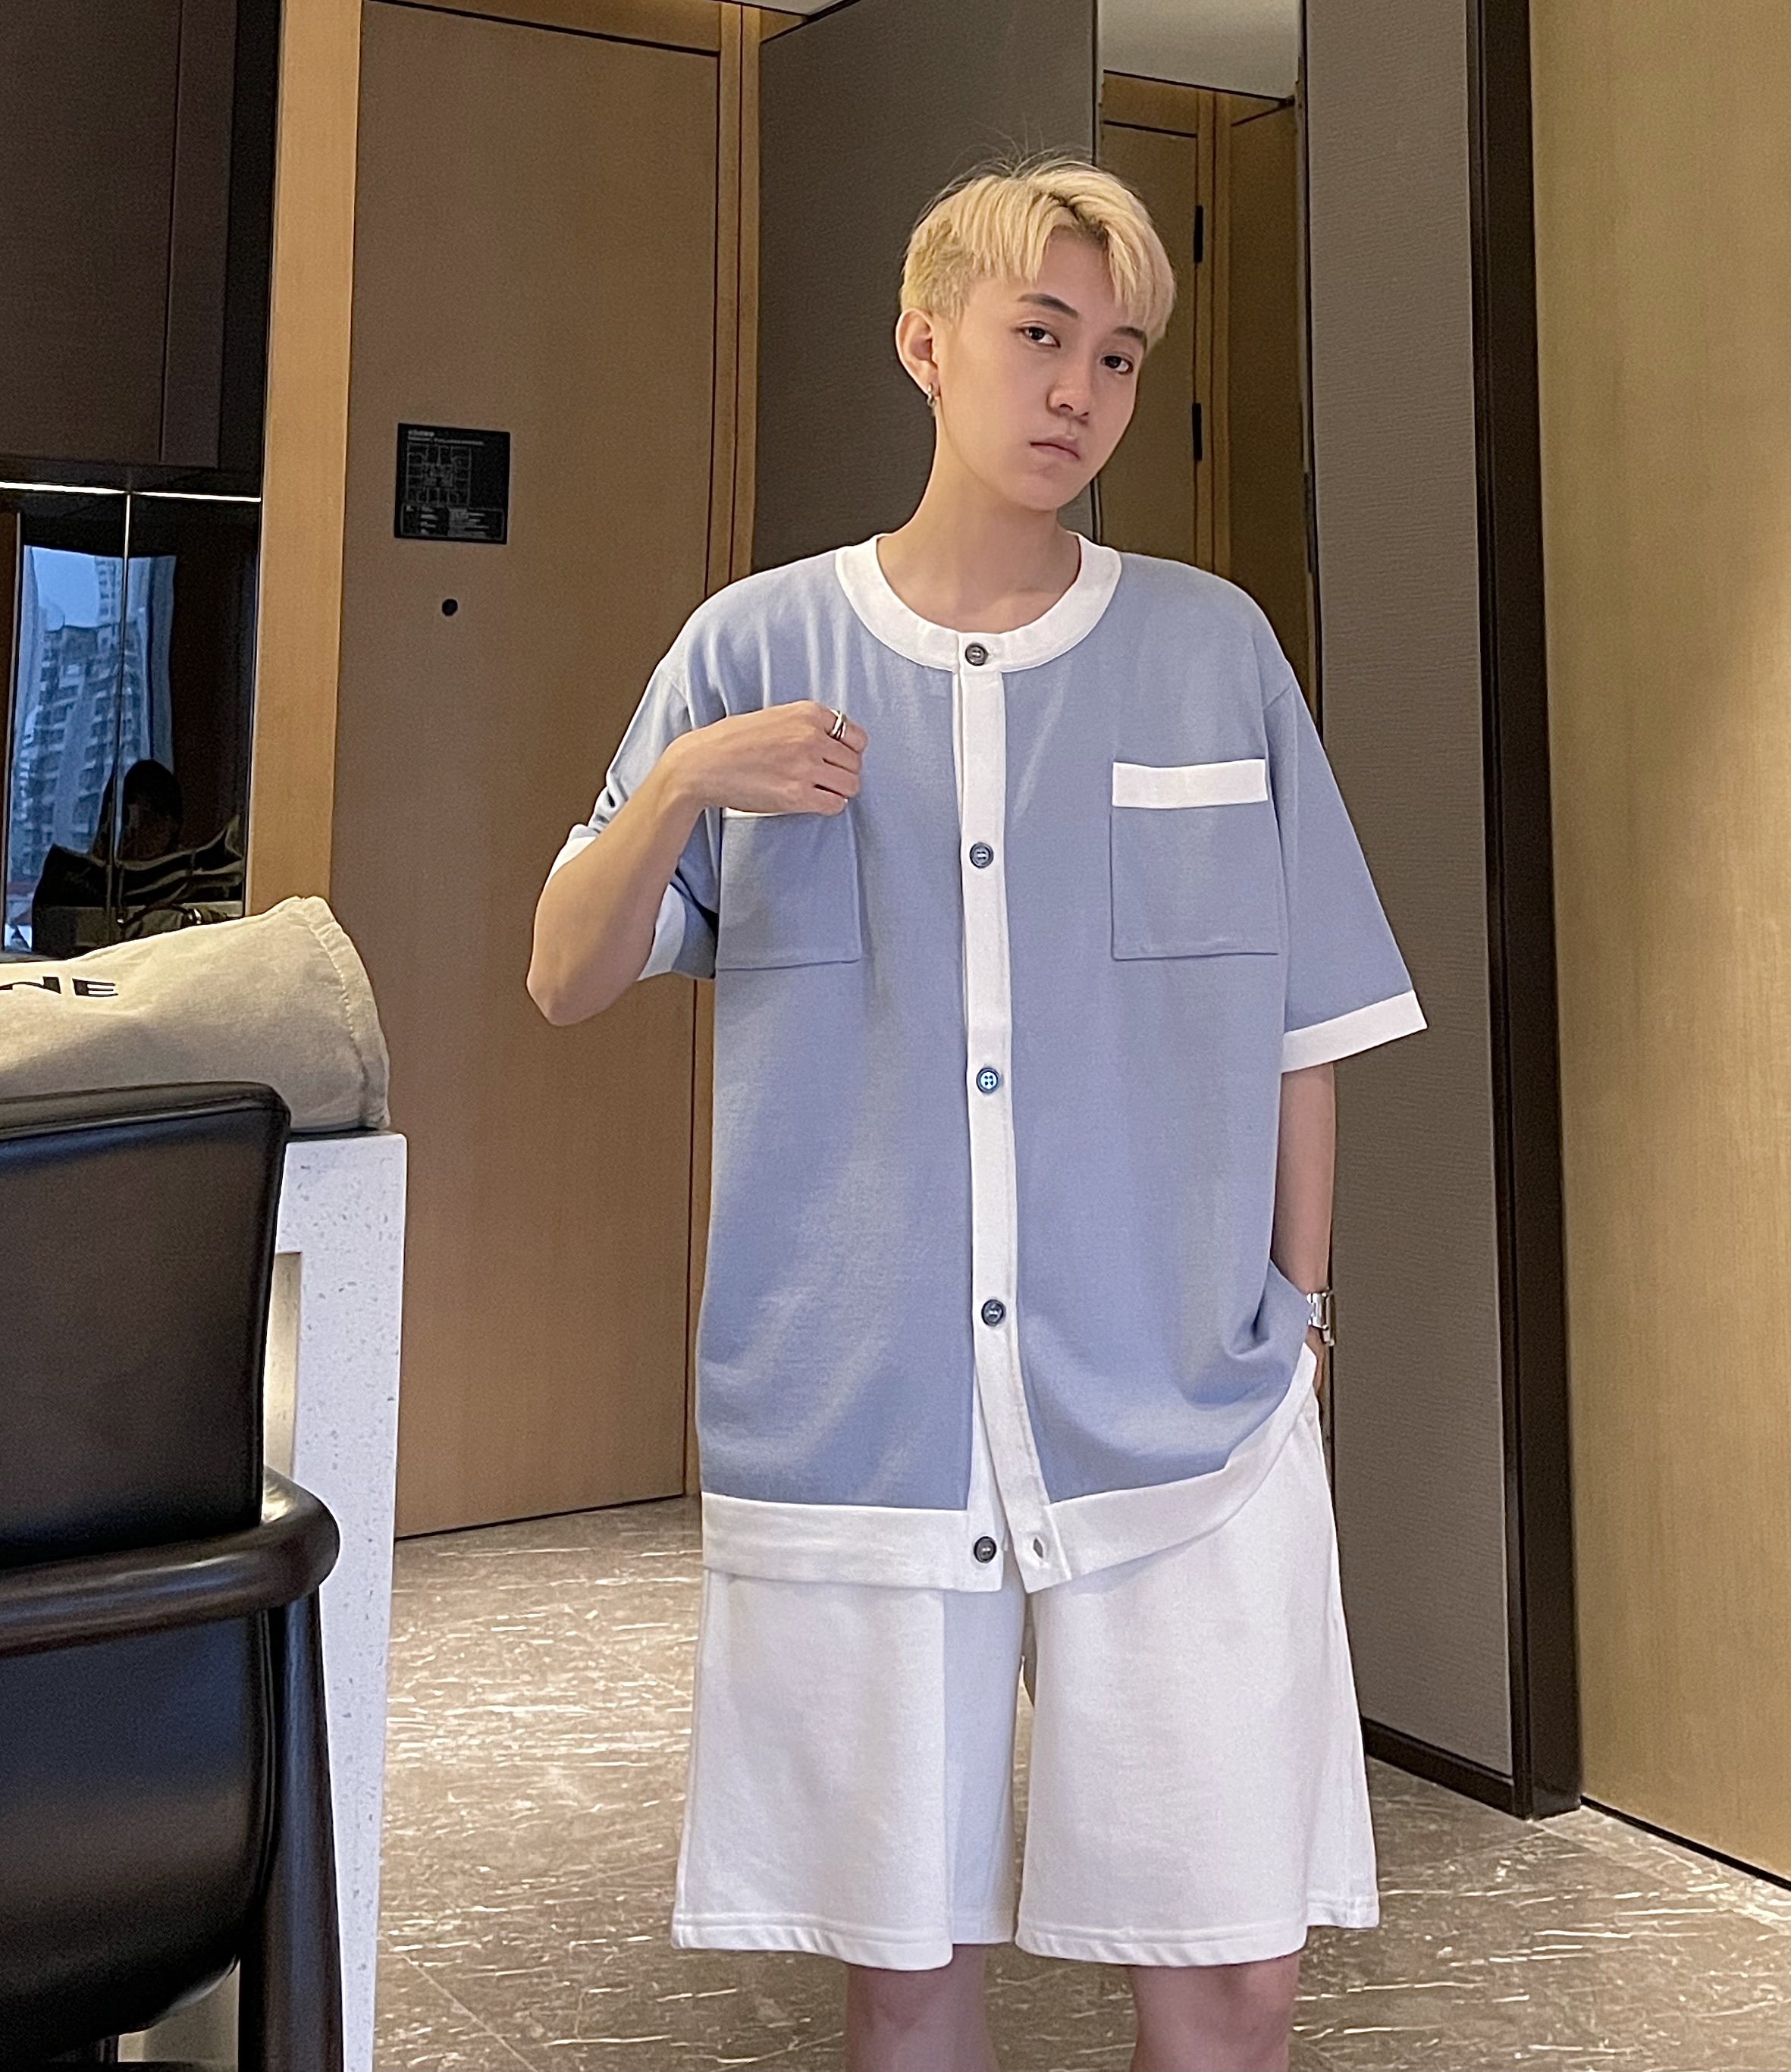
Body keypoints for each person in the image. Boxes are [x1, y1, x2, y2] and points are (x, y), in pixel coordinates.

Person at [527, 155, 1423, 2072]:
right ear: (924, 342)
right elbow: (563, 973)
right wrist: (680, 784)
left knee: (1235, 1973)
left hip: (1183, 1405)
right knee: (905, 1964)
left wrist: (1299, 1312)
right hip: (862, 1412)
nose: (1078, 390)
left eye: (1117, 354)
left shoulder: (1212, 649)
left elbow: (1306, 1019)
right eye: (1038, 334)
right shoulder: (751, 648)